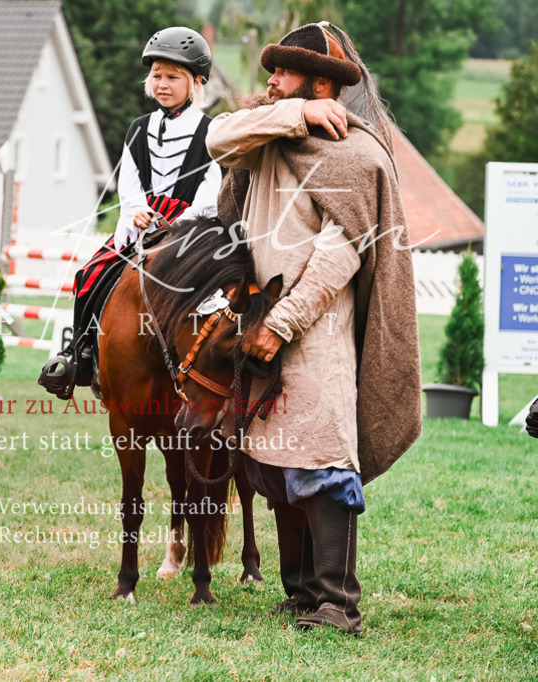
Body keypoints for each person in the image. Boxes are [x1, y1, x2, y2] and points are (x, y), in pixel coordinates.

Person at [205, 22, 422, 634]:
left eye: (285, 72)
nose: (272, 80)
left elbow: (341, 254)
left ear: (323, 84)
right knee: (276, 465)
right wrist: (294, 113)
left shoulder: (356, 154)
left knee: (323, 464)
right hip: (261, 324)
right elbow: (217, 136)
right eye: (272, 71)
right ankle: (300, 593)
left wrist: (284, 321)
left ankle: (336, 602)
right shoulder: (269, 135)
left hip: (318, 333)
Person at [39, 26, 222, 399]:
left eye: (173, 77)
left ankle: (224, 364)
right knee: (89, 275)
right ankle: (81, 353)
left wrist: (179, 224)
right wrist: (136, 209)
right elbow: (129, 182)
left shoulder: (211, 132)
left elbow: (211, 191)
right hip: (142, 224)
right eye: (157, 76)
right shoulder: (138, 129)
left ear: (196, 82)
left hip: (190, 228)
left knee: (226, 290)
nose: (163, 84)